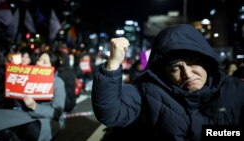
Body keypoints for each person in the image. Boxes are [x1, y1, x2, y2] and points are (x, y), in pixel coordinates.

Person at [91, 24, 244, 141]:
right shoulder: (147, 91)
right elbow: (110, 113)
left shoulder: (235, 90)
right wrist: (112, 65)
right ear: (164, 71)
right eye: (176, 67)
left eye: (193, 62)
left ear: (207, 62)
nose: (187, 73)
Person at [0, 51, 66, 141]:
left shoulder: (58, 83)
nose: (39, 63)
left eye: (45, 62)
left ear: (53, 67)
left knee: (31, 130)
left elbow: (56, 113)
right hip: (27, 114)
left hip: (47, 119)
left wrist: (35, 106)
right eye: (39, 60)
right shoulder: (28, 77)